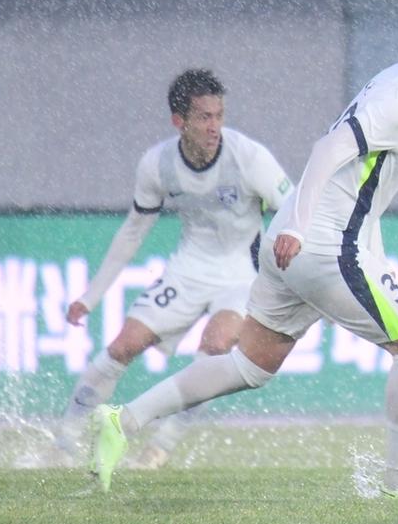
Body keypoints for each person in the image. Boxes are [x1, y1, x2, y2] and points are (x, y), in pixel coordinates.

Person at [90, 0, 398, 499]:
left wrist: (324, 238)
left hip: (303, 241)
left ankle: (122, 420)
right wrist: (300, 228)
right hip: (321, 246)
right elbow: (329, 150)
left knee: (249, 366)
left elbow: (360, 188)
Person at [57, 69, 293, 469]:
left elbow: (296, 211)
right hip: (187, 272)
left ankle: (159, 448)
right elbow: (133, 231)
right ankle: (64, 444)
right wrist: (90, 297)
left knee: (215, 348)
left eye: (219, 115)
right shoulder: (157, 164)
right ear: (179, 121)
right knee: (122, 346)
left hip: (242, 275)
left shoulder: (249, 158)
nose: (214, 126)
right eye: (204, 117)